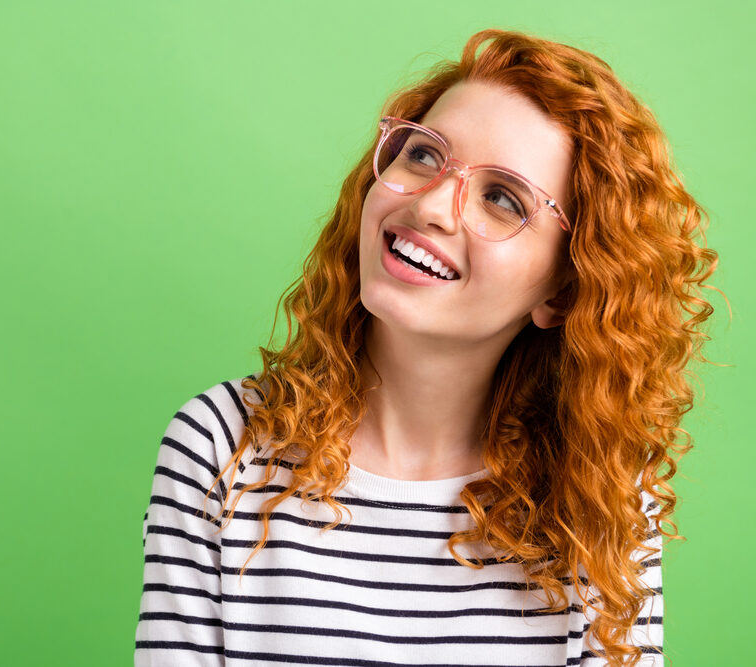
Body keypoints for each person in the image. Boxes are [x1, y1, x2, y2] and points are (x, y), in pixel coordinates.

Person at [134, 28, 719, 667]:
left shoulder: (604, 505)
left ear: (562, 293)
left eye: (502, 198)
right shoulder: (222, 449)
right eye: (423, 156)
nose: (434, 205)